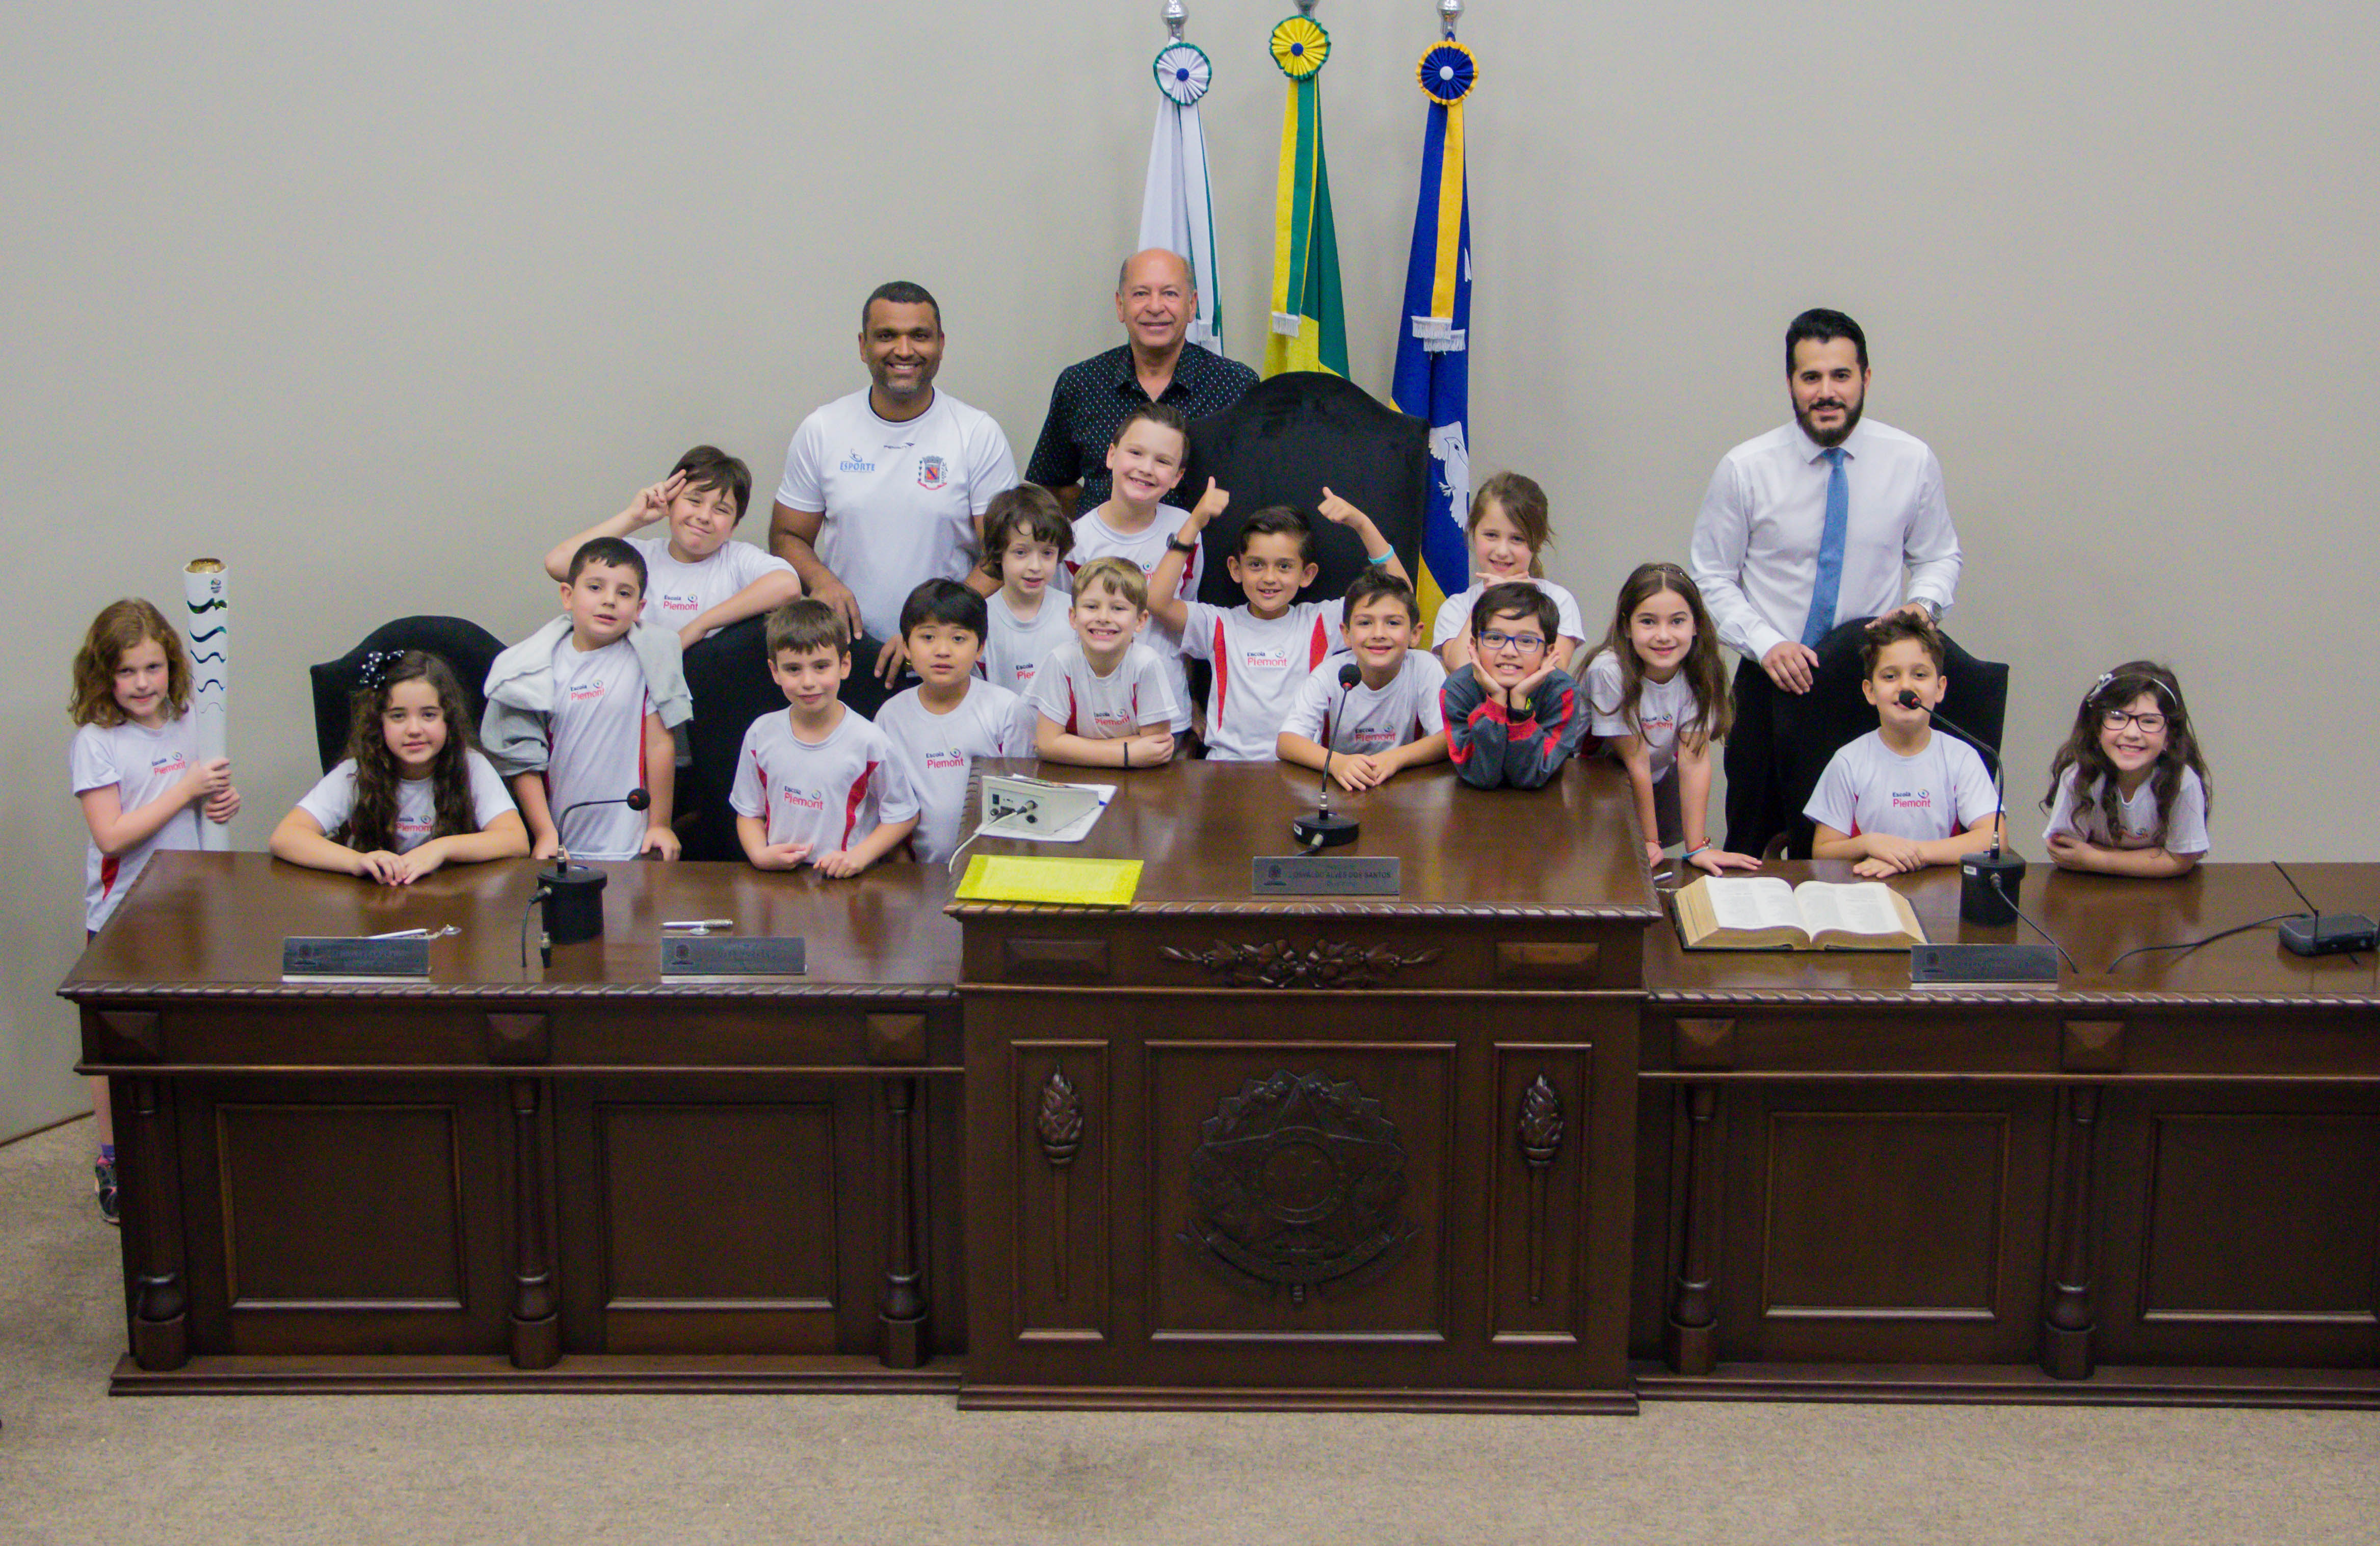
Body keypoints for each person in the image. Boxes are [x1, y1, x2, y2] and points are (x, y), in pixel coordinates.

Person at [1689, 308, 1963, 856]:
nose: (1825, 392)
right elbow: (1710, 576)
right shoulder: (1745, 467)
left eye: (1840, 375)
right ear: (1790, 383)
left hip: (1863, 692)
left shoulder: (1910, 461)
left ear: (1865, 377)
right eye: (1809, 377)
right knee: (1754, 847)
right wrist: (1766, 645)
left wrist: (1920, 607)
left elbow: (1939, 556)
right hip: (1771, 686)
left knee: (1856, 850)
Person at [70, 597, 240, 1223]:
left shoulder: (194, 719)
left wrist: (221, 802)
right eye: (126, 673)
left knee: (190, 1027)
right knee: (117, 1041)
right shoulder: (96, 741)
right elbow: (113, 836)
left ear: (171, 664)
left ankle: (185, 1148)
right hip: (124, 912)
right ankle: (113, 1159)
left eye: (153, 668)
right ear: (104, 676)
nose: (143, 685)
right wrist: (186, 790)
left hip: (192, 904)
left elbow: (206, 801)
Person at [768, 280, 1018, 684]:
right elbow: (787, 536)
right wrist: (821, 580)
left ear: (940, 343)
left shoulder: (977, 433)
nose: (904, 350)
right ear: (864, 345)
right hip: (845, 657)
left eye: (919, 336)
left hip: (944, 660)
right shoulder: (822, 429)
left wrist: (931, 630)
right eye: (887, 336)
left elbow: (1004, 554)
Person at [1144, 487, 1408, 762]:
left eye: (1284, 567)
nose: (1270, 578)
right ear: (1236, 569)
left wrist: (1363, 525)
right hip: (1226, 767)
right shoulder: (1219, 624)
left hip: (1301, 766)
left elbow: (1399, 596)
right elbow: (1157, 601)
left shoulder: (1320, 621)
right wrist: (1194, 524)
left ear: (1307, 574)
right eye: (1256, 565)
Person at [481, 537, 687, 862]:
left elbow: (661, 744)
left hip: (632, 844)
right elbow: (523, 760)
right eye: (595, 588)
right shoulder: (533, 669)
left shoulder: (650, 660)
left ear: (639, 608)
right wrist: (545, 833)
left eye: (624, 593)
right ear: (568, 595)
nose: (609, 601)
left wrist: (660, 824)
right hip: (563, 843)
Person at [1024, 248, 1258, 517]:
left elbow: (1253, 484)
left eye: (1170, 294)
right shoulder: (1080, 383)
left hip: (1202, 556)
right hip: (1106, 557)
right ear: (1120, 305)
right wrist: (1102, 523)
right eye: (1140, 294)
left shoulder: (1236, 385)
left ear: (1192, 305)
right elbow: (1053, 482)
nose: (1155, 307)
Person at [271, 650, 528, 880]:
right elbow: (286, 837)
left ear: (448, 720)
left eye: (429, 715)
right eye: (398, 716)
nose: (414, 730)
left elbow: (516, 840)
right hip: (374, 905)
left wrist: (441, 849)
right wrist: (358, 861)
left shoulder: (472, 766)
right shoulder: (357, 772)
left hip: (452, 903)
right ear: (378, 722)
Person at [1583, 564, 1760, 876]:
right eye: (1648, 622)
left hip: (1655, 778)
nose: (1663, 636)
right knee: (1604, 870)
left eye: (1677, 621)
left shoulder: (1701, 672)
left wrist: (1697, 848)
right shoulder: (1609, 670)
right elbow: (1634, 759)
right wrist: (1648, 840)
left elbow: (1693, 760)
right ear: (1626, 626)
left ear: (1695, 625)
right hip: (1597, 788)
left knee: (1654, 872)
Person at [542, 446, 799, 651]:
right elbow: (558, 563)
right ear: (671, 503)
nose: (704, 516)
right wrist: (634, 517)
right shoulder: (637, 558)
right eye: (694, 501)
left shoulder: (737, 559)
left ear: (734, 526)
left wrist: (700, 626)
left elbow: (787, 586)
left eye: (721, 510)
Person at [730, 599, 920, 876]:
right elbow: (749, 812)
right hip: (777, 879)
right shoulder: (761, 734)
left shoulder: (870, 741)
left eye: (821, 666)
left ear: (844, 665)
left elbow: (903, 816)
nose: (808, 681)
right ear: (775, 672)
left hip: (847, 882)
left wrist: (857, 857)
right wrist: (760, 855)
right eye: (793, 669)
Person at [1805, 613, 1999, 878]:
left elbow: (1993, 839)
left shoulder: (1961, 757)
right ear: (1870, 691)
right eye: (1890, 676)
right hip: (1867, 891)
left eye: (1920, 675)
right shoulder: (1849, 761)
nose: (1906, 686)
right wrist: (1871, 843)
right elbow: (1823, 850)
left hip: (1941, 897)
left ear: (1940, 688)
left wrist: (1910, 855)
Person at [1068, 403, 1210, 735]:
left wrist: (1190, 700)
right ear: (1111, 456)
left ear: (1177, 477)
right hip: (1096, 716)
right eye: (1136, 453)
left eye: (1163, 461)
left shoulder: (1187, 531)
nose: (1146, 468)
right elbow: (1066, 625)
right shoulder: (1077, 540)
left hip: (1166, 715)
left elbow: (1185, 622)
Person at [876, 580, 1034, 864]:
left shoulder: (1006, 709)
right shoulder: (891, 717)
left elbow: (1024, 797)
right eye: (928, 638)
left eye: (958, 639)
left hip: (993, 868)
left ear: (980, 648)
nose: (942, 651)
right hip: (918, 873)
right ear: (906, 648)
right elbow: (885, 805)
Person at [1276, 569, 1448, 789]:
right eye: (1365, 623)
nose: (1378, 633)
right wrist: (1337, 763)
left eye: (1393, 623)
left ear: (1415, 633)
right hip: (1341, 787)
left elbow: (1447, 739)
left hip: (1403, 785)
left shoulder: (1425, 667)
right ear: (1346, 633)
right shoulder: (1329, 674)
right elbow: (1287, 742)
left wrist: (1396, 758)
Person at [2040, 662, 2211, 876]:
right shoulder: (2079, 776)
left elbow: (2181, 860)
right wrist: (2153, 857)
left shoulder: (2182, 782)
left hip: (2161, 899)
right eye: (2118, 717)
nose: (2131, 733)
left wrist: (2096, 858)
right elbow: (2064, 852)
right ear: (2097, 728)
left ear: (2170, 736)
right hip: (2089, 893)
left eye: (2149, 721)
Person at [1027, 557, 1179, 769]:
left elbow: (1156, 749)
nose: (1104, 617)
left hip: (1137, 782)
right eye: (1091, 606)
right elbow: (1047, 745)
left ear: (1140, 621)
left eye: (1118, 608)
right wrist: (1127, 753)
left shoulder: (1146, 664)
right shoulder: (1061, 662)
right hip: (1073, 778)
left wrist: (1069, 747)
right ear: (1073, 617)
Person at [1442, 583, 1593, 791]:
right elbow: (1482, 776)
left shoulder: (1562, 692)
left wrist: (1520, 704)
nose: (1509, 651)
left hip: (1545, 809)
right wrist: (1496, 701)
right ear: (1474, 644)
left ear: (1548, 652)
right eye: (1495, 638)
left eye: (1526, 641)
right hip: (1474, 807)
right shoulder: (1457, 689)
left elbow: (1530, 776)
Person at [1430, 473, 1586, 672]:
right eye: (1491, 535)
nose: (1503, 551)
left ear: (1537, 542)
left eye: (1517, 539)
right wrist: (1488, 599)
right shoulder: (1456, 608)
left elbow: (1554, 674)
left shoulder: (1559, 600)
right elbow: (1461, 670)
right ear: (1473, 534)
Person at [979, 484, 1075, 696]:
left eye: (1047, 553)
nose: (1035, 566)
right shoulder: (979, 619)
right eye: (1021, 552)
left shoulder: (1074, 613)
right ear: (997, 553)